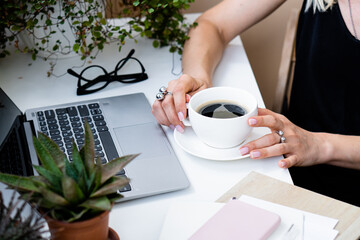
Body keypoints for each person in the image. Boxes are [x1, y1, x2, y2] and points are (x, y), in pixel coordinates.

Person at [152, 0, 360, 206]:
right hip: (284, 164)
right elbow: (213, 24)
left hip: (344, 194)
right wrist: (198, 81)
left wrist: (318, 146)